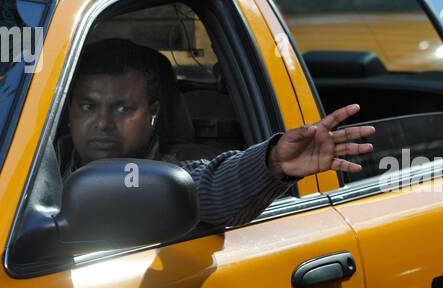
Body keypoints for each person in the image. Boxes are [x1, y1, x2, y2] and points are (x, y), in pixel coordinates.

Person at [56, 38, 374, 230]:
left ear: (153, 111)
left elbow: (209, 188)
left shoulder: (172, 172)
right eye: (87, 106)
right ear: (69, 109)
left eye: (123, 109)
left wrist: (273, 163)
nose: (102, 122)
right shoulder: (36, 162)